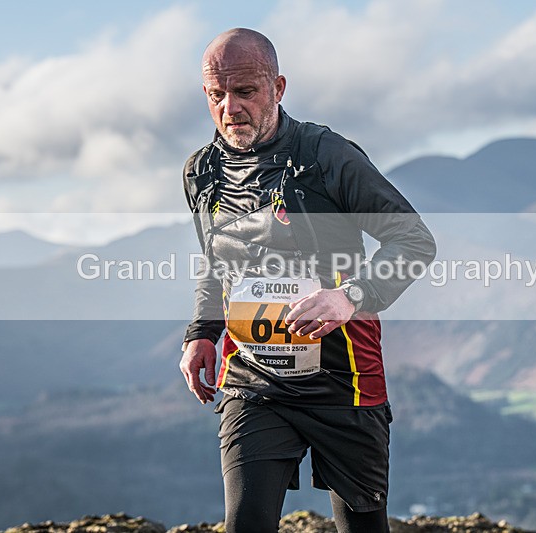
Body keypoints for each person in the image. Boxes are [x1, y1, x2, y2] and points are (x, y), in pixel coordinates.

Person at [178, 28, 436, 533]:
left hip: (345, 381)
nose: (230, 108)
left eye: (245, 91)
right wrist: (202, 333)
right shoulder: (202, 172)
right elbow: (215, 261)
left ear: (278, 87)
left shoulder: (326, 156)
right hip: (253, 381)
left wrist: (351, 296)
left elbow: (413, 241)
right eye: (216, 94)